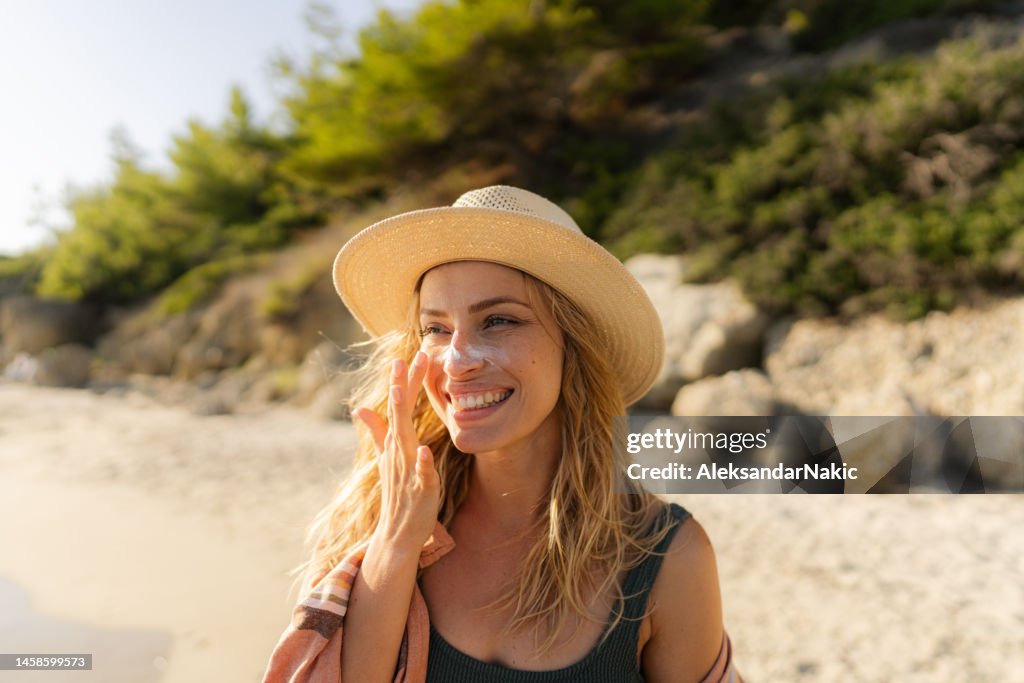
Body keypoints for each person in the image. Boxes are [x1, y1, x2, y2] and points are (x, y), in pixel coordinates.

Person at [263, 186, 742, 682]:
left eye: (498, 320)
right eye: (436, 329)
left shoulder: (665, 554)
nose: (457, 362)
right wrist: (397, 541)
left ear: (574, 345)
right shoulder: (368, 521)